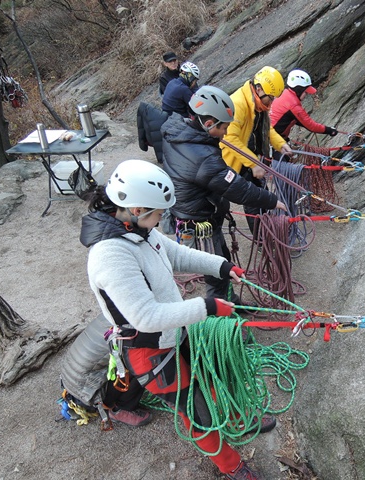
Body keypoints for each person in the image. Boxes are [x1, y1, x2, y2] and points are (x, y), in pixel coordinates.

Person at [79, 159, 267, 479]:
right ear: (137, 209)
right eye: (158, 213)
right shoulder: (110, 255)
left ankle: (238, 419)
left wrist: (222, 266)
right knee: (195, 411)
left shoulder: (138, 230)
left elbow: (176, 254)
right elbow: (146, 316)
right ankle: (232, 467)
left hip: (176, 330)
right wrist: (207, 307)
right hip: (149, 349)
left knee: (212, 376)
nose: (162, 219)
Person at [161, 85, 287, 301]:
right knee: (216, 271)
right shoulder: (203, 158)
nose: (227, 133)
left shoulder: (178, 133)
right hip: (199, 221)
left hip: (197, 212)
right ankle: (222, 315)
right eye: (224, 127)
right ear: (209, 123)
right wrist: (271, 200)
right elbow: (238, 189)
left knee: (223, 260)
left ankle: (230, 301)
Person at [220, 66, 293, 233]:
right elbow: (229, 138)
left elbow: (266, 129)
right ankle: (262, 239)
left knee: (261, 195)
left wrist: (280, 144)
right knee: (253, 199)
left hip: (247, 157)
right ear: (259, 89)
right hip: (235, 160)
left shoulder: (257, 105)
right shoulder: (238, 104)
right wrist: (253, 164)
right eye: (270, 98)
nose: (271, 103)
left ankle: (266, 233)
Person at [270, 69, 338, 141]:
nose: (306, 94)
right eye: (305, 92)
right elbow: (311, 126)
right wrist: (329, 130)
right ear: (299, 90)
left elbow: (291, 119)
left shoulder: (284, 93)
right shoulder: (294, 106)